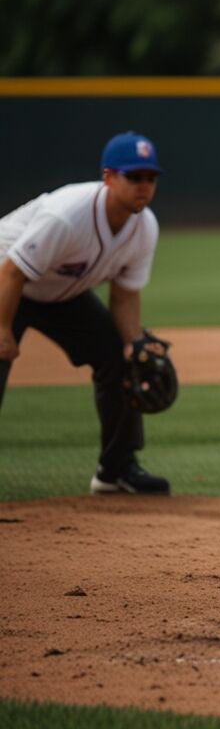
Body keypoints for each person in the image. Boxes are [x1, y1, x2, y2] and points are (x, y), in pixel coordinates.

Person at [0, 132, 171, 494]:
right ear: (108, 177)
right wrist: (1, 328)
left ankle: (116, 469)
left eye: (150, 178)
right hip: (6, 282)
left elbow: (124, 297)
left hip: (60, 292)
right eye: (134, 177)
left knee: (120, 357)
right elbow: (13, 271)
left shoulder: (145, 228)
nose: (143, 186)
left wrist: (133, 343)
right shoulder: (68, 215)